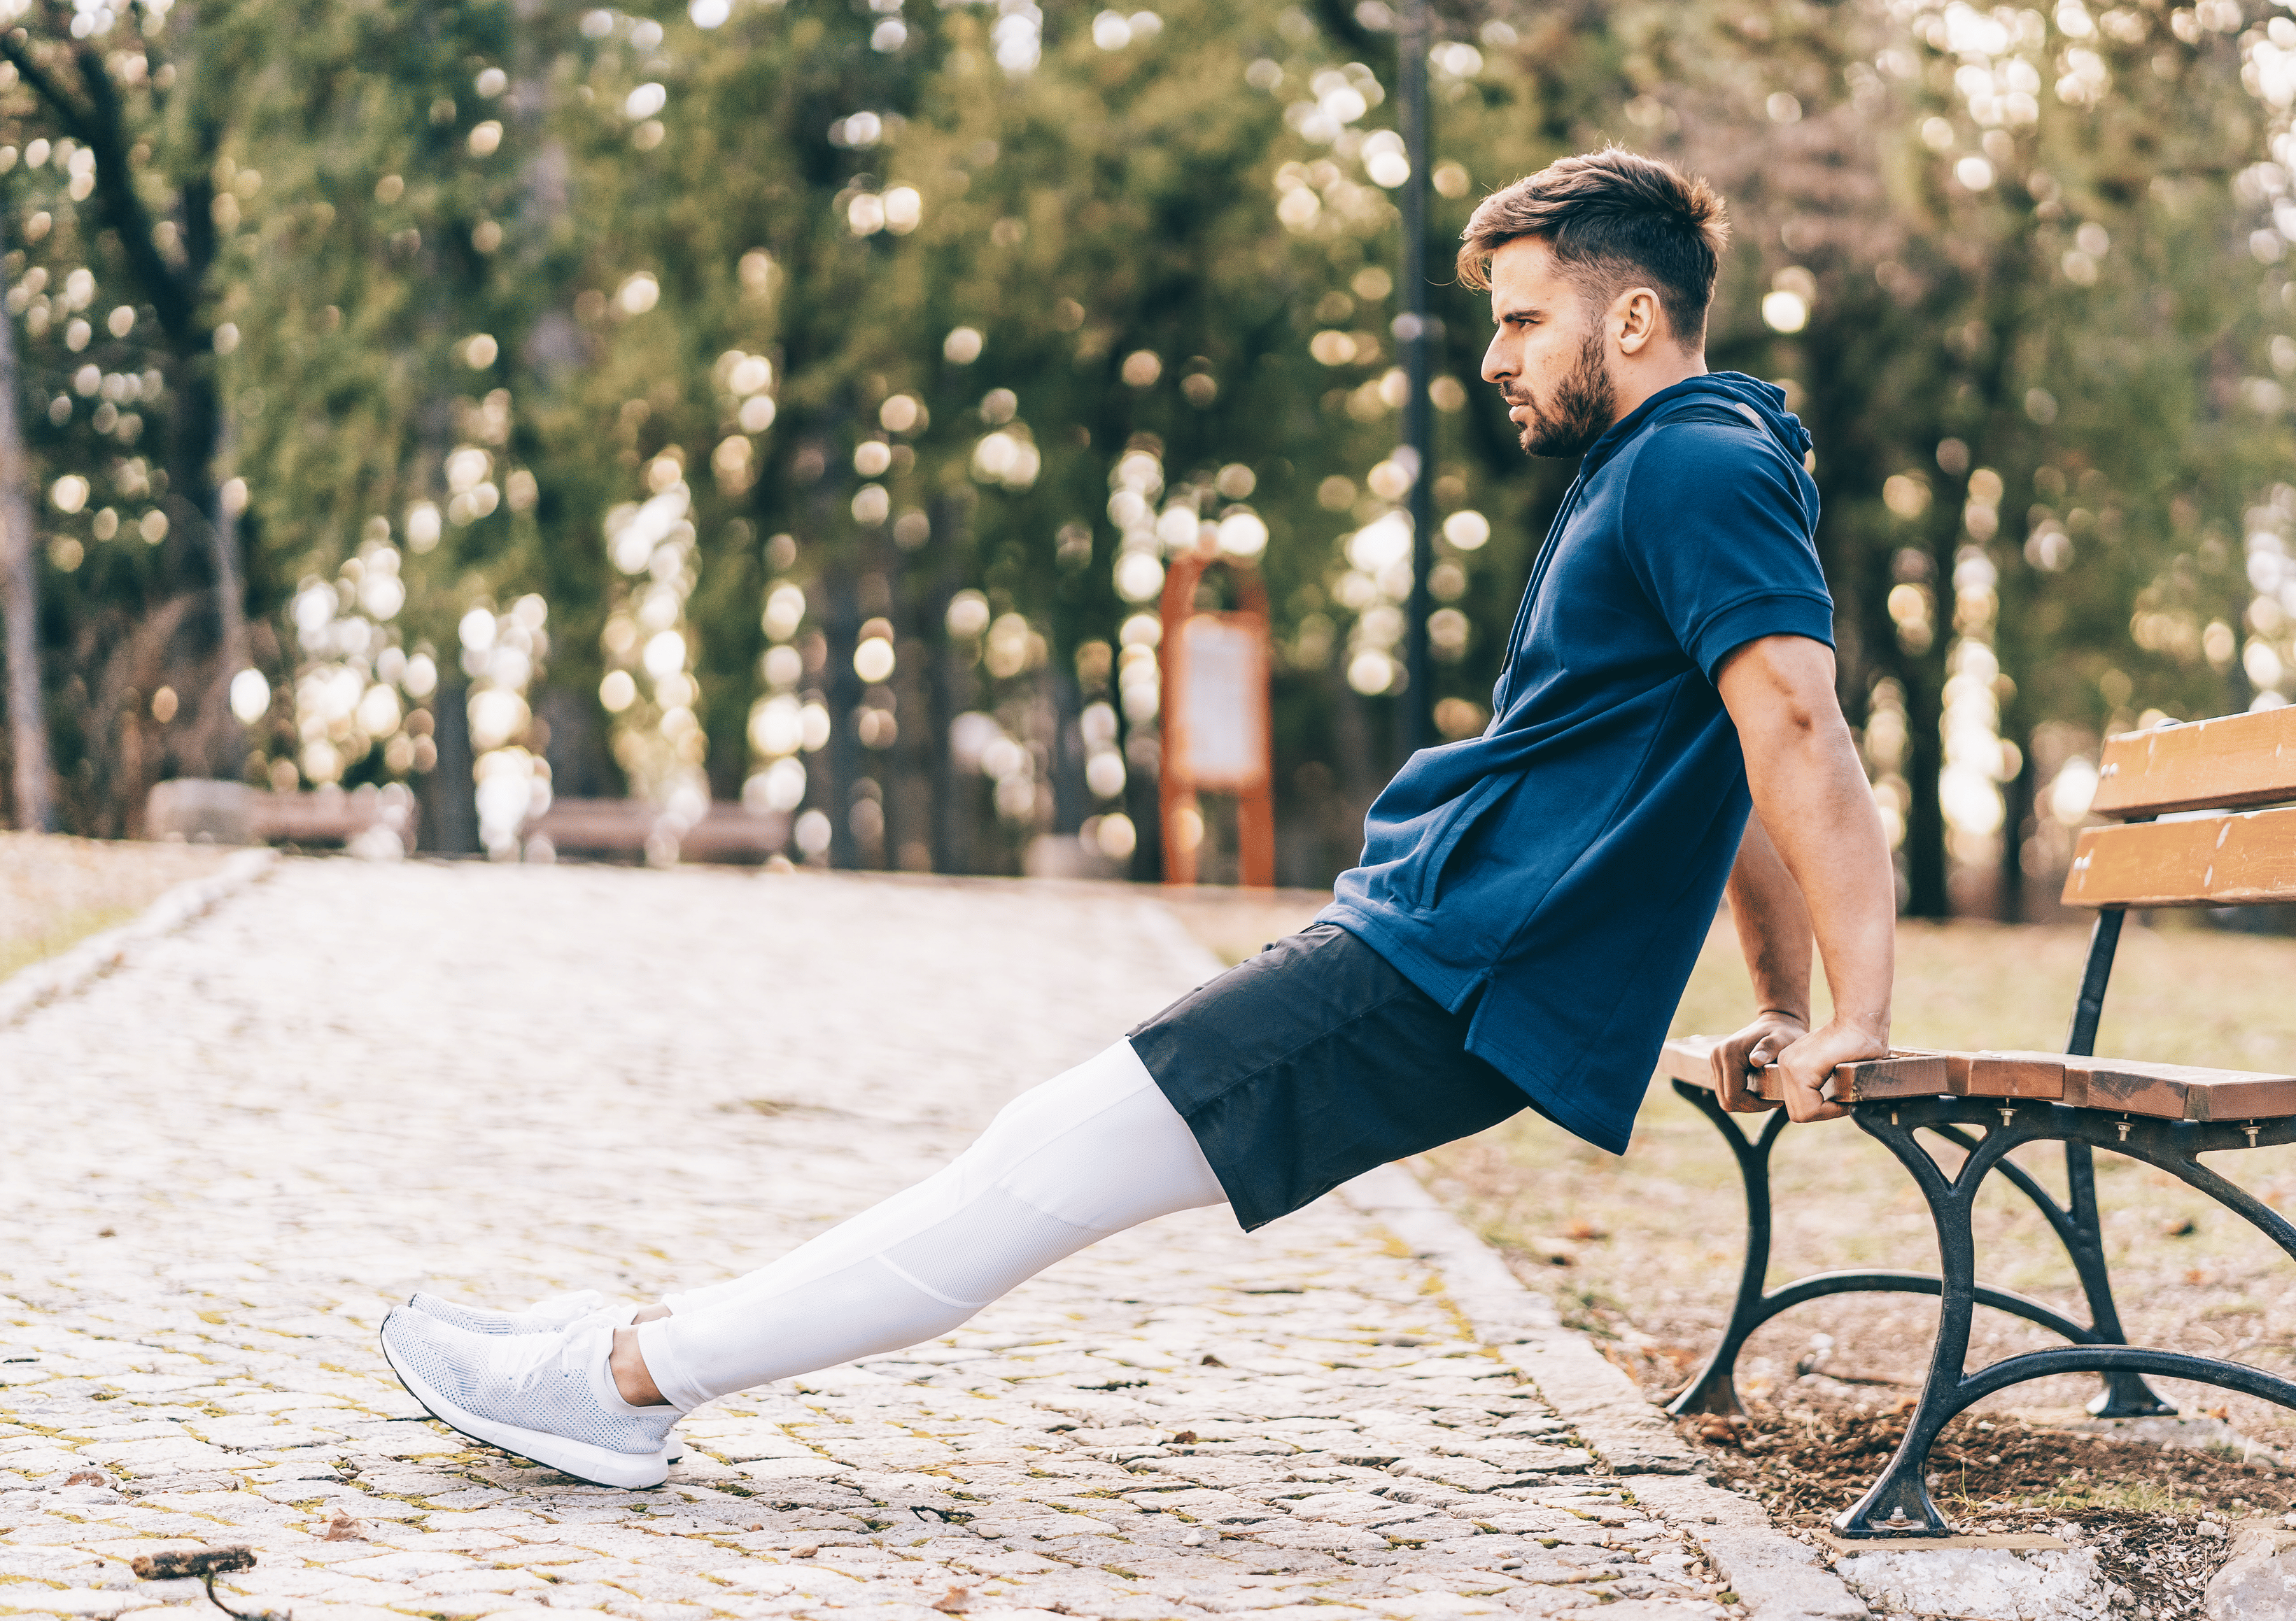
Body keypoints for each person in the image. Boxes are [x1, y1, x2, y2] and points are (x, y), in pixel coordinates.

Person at [377, 146, 1898, 1491]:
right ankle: (626, 1359)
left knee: (1038, 1167)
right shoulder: (1682, 464)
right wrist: (1778, 1001)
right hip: (1444, 946)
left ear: (1631, 318)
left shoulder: (1696, 464)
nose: (1497, 360)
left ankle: (621, 1385)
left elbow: (1796, 734)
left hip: (1455, 964)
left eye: (1522, 320)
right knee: (1041, 1152)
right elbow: (1735, 764)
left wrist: (1856, 1015)